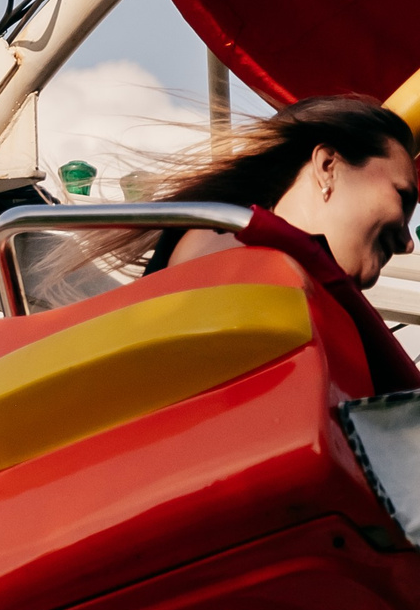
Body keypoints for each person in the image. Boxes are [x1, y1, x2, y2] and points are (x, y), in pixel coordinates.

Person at [75, 95, 419, 390]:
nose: (407, 242)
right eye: (402, 198)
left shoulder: (284, 274)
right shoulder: (222, 244)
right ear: (327, 165)